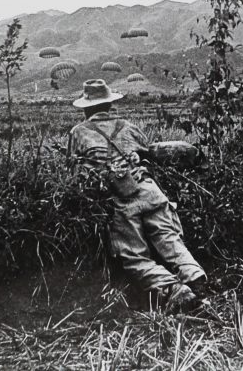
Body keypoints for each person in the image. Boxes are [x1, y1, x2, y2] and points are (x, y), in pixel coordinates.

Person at [66, 79, 207, 311]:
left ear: (85, 108)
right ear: (110, 105)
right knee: (170, 240)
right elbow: (148, 152)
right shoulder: (129, 127)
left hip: (121, 199)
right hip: (149, 190)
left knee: (134, 257)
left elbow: (74, 173)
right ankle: (195, 278)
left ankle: (175, 291)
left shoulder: (78, 132)